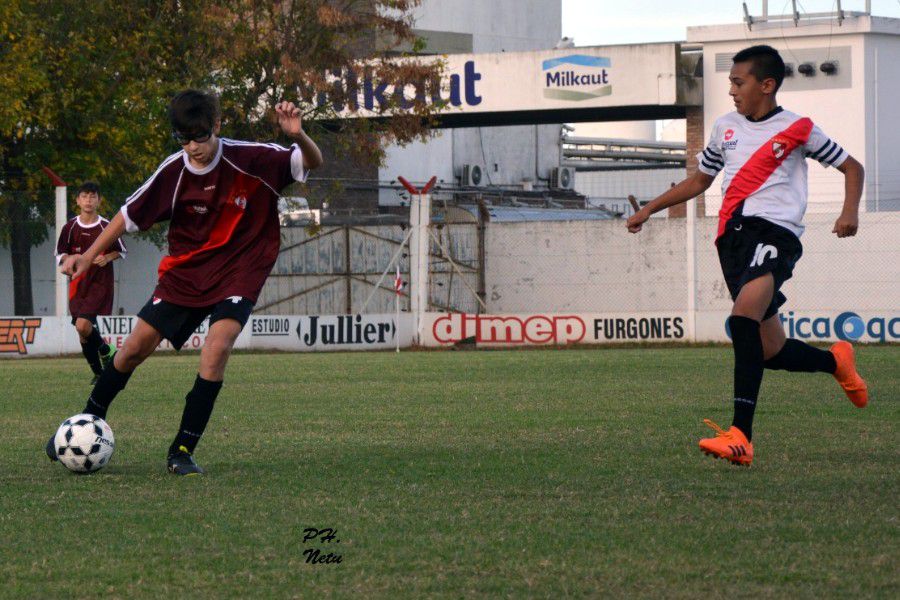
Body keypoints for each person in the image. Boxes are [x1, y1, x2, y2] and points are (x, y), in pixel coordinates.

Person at [47, 89, 323, 475]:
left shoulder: (253, 158)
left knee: (217, 347)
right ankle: (84, 424)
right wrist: (88, 258)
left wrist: (297, 135)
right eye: (184, 139)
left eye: (201, 137)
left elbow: (310, 161)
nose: (193, 147)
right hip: (186, 274)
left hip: (240, 270)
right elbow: (125, 218)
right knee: (132, 351)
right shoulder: (173, 172)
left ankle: (181, 449)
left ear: (217, 126)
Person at [626, 45, 868, 466]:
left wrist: (849, 211)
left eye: (739, 83)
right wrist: (650, 208)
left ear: (766, 85)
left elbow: (853, 167)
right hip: (733, 239)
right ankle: (835, 361)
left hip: (776, 234)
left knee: (741, 321)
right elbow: (700, 180)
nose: (733, 90)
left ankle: (741, 436)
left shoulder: (799, 129)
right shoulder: (724, 128)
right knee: (770, 349)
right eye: (732, 83)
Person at [55, 181, 125, 384]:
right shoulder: (70, 227)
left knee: (83, 325)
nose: (88, 200)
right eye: (84, 196)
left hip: (99, 282)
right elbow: (60, 252)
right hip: (78, 284)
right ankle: (99, 372)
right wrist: (67, 261)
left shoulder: (106, 226)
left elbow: (121, 250)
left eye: (92, 196)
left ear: (99, 200)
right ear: (77, 200)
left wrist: (108, 257)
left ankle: (107, 350)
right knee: (82, 332)